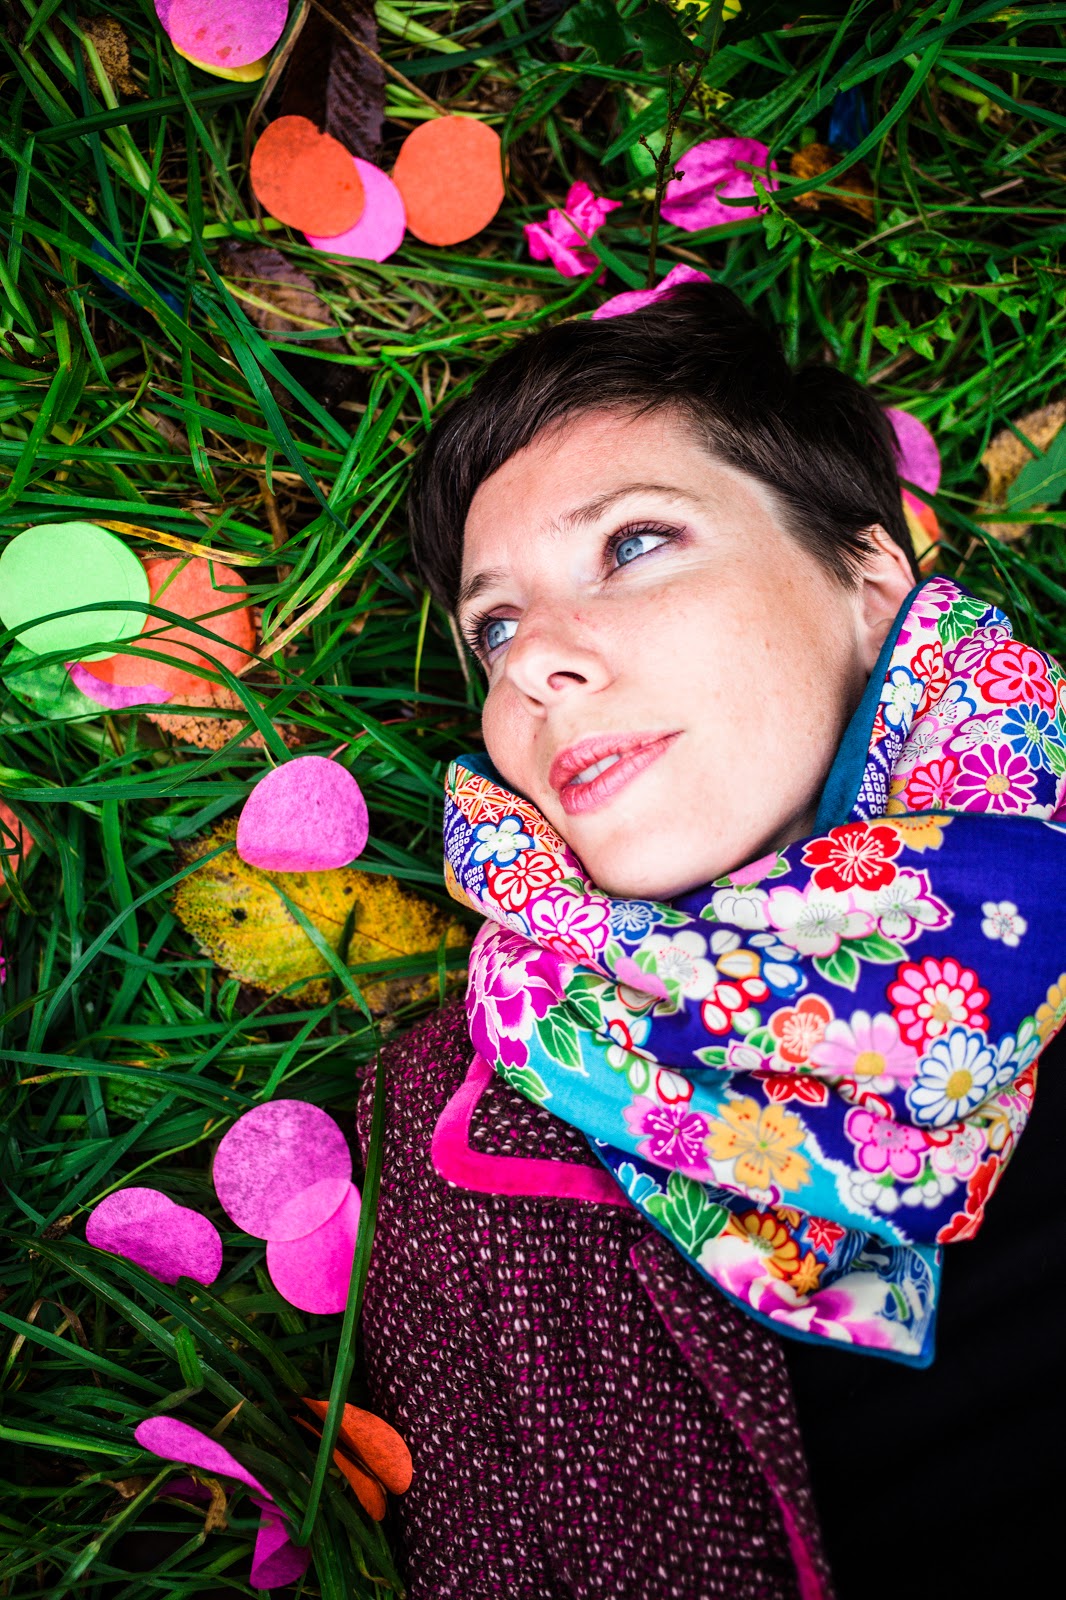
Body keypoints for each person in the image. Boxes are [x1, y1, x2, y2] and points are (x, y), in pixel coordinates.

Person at [353, 281, 1066, 1598]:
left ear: (868, 582)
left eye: (632, 544)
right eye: (493, 627)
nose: (533, 663)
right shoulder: (465, 1118)